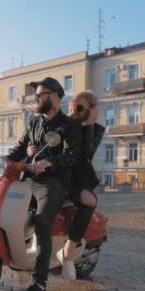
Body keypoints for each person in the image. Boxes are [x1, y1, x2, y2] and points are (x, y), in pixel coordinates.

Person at [0, 77, 82, 291]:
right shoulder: (34, 123)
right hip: (27, 178)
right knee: (7, 214)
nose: (36, 99)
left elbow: (73, 155)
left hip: (53, 182)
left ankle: (39, 285)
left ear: (55, 97)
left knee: (41, 222)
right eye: (36, 95)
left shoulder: (70, 126)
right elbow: (19, 148)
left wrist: (50, 162)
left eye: (40, 95)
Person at [55, 91, 105, 280]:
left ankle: (67, 254)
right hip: (57, 171)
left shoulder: (96, 129)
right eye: (72, 106)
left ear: (92, 109)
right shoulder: (63, 123)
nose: (74, 110)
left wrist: (89, 124)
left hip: (77, 179)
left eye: (80, 107)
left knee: (89, 201)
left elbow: (86, 154)